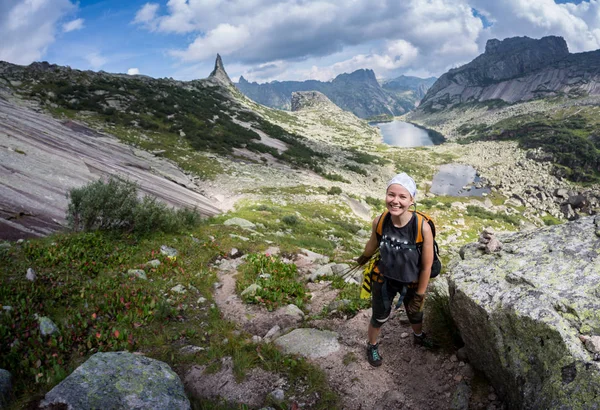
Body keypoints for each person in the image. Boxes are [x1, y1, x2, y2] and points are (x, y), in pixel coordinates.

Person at [356, 173, 434, 367]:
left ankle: (418, 336)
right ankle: (372, 345)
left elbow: (426, 266)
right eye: (391, 195)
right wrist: (364, 257)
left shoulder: (422, 227)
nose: (395, 201)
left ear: (411, 200)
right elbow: (372, 244)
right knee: (379, 315)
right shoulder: (380, 221)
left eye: (402, 197)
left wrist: (420, 294)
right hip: (384, 278)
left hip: (412, 281)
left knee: (415, 314)